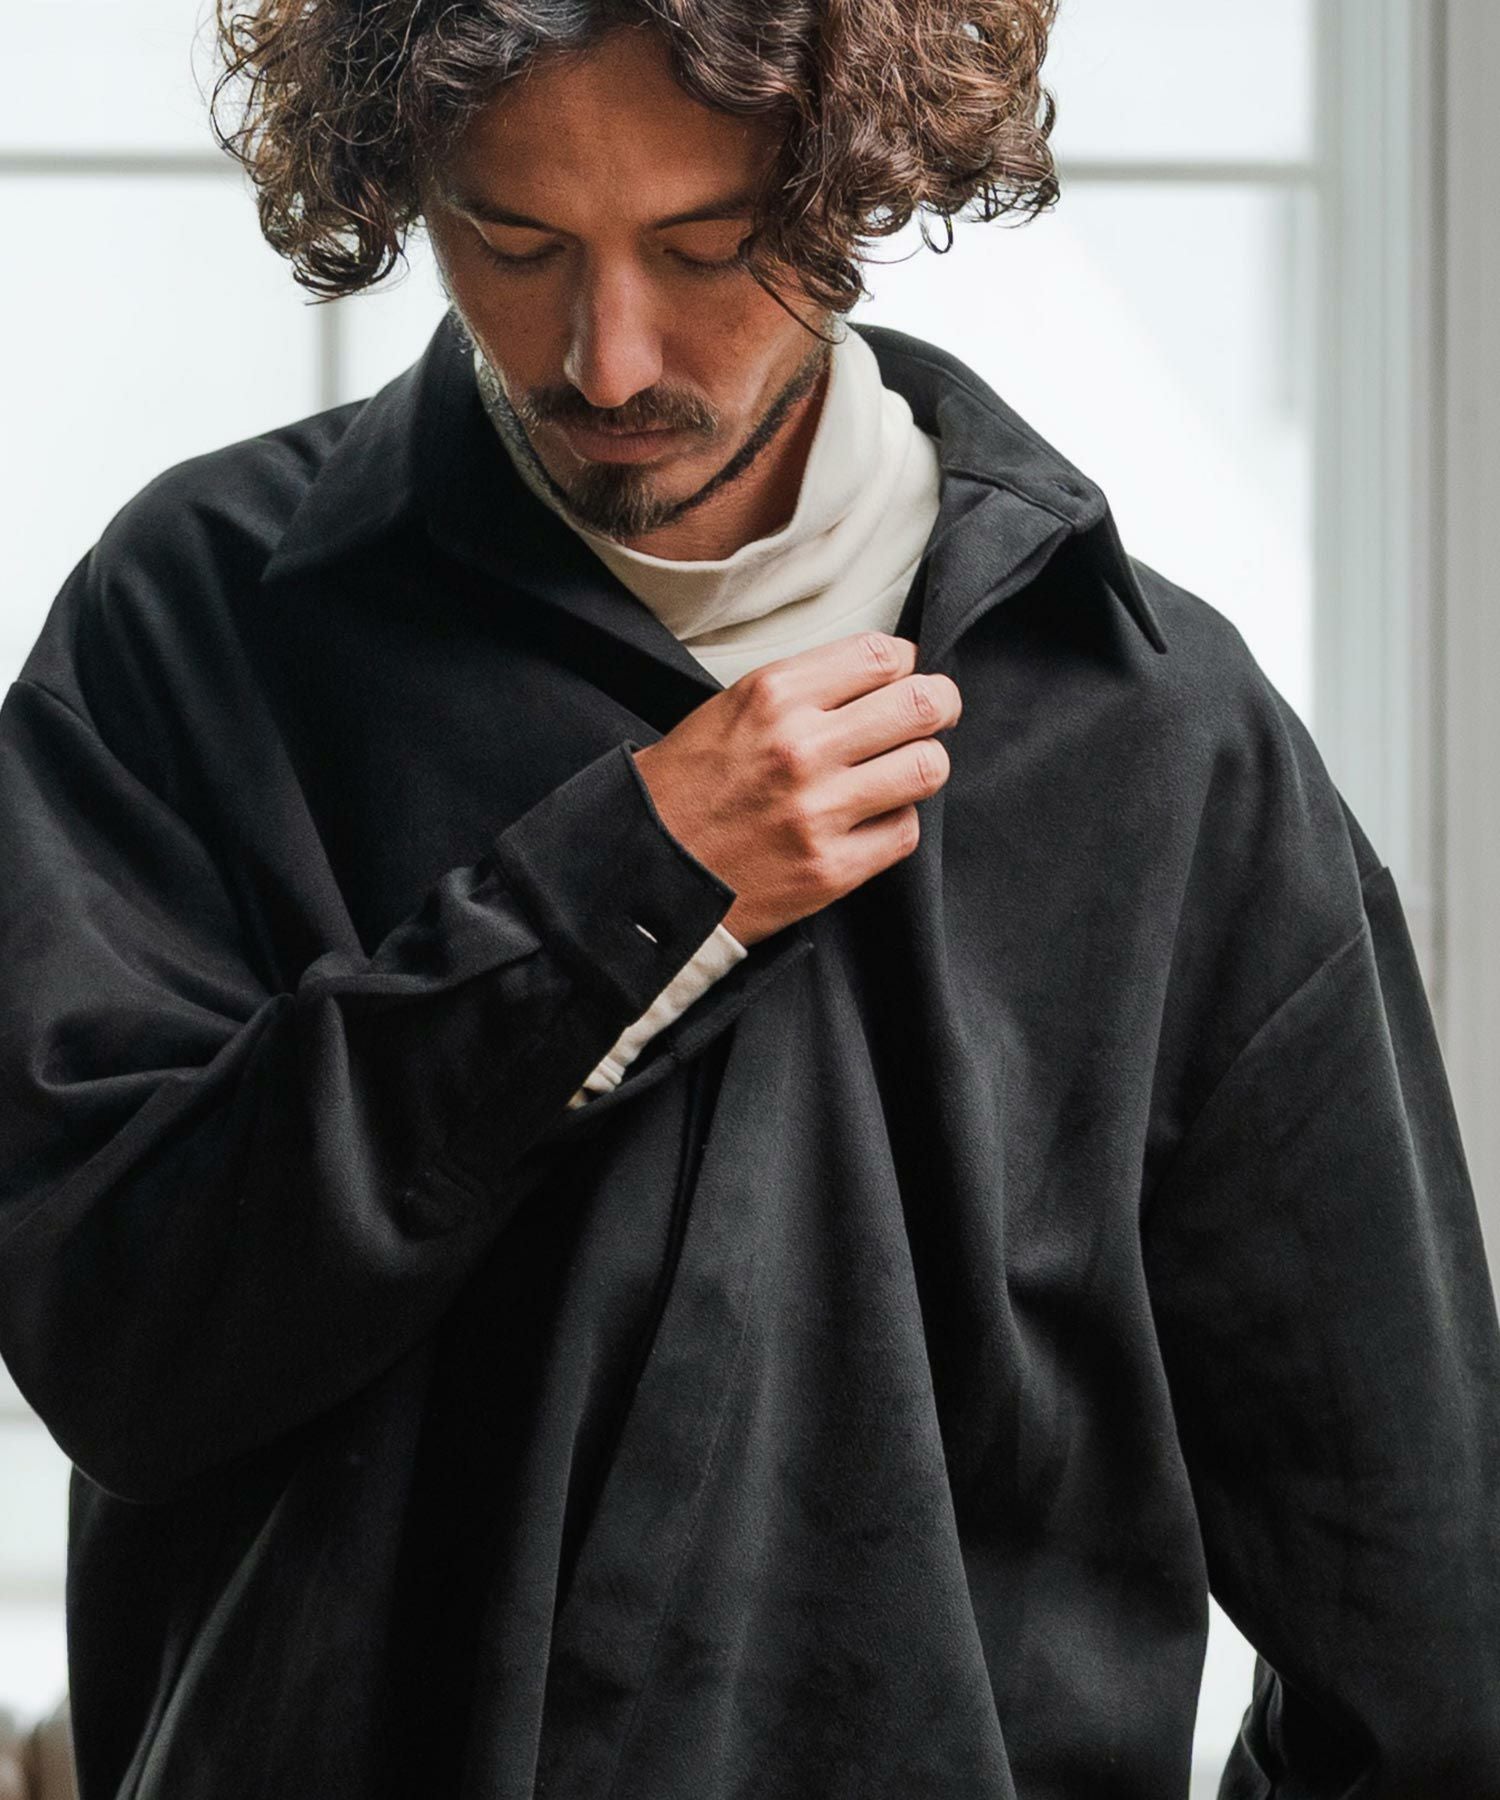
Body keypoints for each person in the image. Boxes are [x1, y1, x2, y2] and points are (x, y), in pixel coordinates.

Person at [0, 3, 1496, 1796]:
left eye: (707, 246)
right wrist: (614, 895)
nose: (608, 358)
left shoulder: (1163, 746)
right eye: (514, 243)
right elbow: (112, 1336)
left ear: (854, 184)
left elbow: (1420, 1625)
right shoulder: (198, 621)